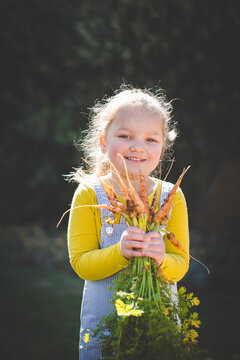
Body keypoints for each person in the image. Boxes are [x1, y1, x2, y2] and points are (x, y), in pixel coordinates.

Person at [67, 85, 189, 360]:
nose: (138, 148)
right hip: (104, 326)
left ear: (163, 146)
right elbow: (81, 263)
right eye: (125, 136)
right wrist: (120, 252)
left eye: (151, 139)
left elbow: (181, 265)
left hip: (159, 324)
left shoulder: (172, 196)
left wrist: (161, 260)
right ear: (102, 141)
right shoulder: (89, 194)